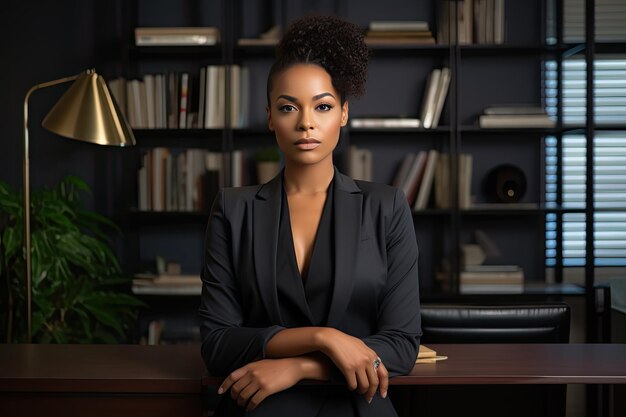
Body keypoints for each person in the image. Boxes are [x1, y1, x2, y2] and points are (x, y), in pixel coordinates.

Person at [199, 14, 421, 417]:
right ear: (270, 116)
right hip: (260, 405)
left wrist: (298, 367)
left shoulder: (386, 207)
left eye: (322, 106)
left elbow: (403, 344)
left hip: (357, 404)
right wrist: (324, 337)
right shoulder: (233, 209)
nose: (305, 123)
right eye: (288, 107)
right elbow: (217, 343)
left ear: (344, 114)